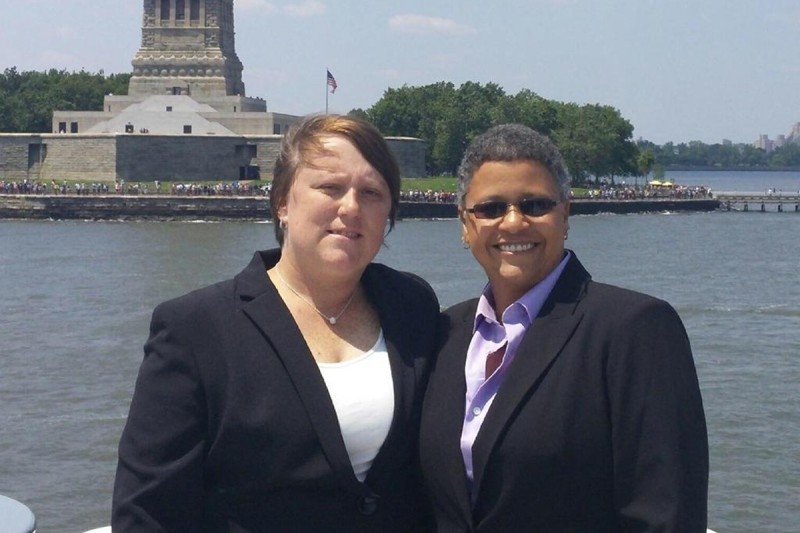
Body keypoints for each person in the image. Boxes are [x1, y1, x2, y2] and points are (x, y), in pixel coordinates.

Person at [113, 115, 439, 531]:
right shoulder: (195, 330)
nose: (351, 207)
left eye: (372, 193)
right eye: (330, 187)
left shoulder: (412, 305)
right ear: (283, 202)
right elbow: (148, 512)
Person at [419, 124, 708, 532]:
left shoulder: (634, 330)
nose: (514, 222)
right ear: (465, 224)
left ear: (565, 214)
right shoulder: (443, 333)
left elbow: (664, 514)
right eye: (491, 208)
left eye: (535, 205)